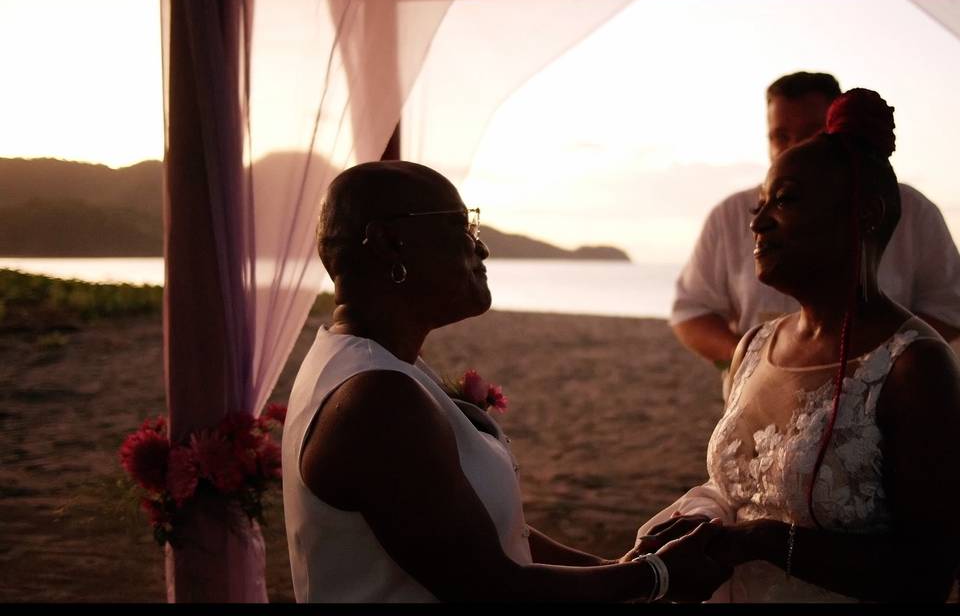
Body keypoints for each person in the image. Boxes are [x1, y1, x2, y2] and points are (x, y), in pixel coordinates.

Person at [281, 160, 730, 602]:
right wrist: (656, 577)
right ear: (389, 242)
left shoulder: (377, 363)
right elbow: (490, 589)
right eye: (463, 226)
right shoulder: (377, 398)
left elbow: (477, 532)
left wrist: (615, 569)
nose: (482, 249)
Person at [634, 89, 960, 602]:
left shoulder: (914, 367)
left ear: (865, 214)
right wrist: (702, 523)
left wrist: (765, 542)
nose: (756, 222)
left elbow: (926, 574)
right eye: (761, 204)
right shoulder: (755, 346)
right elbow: (736, 491)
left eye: (783, 201)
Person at [671, 72, 960, 382]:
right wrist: (752, 359)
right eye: (780, 136)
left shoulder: (910, 210)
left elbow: (950, 305)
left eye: (811, 132)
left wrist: (877, 363)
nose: (794, 146)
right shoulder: (729, 215)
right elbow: (691, 312)